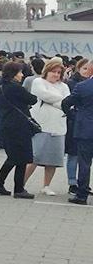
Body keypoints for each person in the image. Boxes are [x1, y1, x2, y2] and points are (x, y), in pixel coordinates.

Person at [0, 62, 37, 199]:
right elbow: (32, 99)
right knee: (21, 158)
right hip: (19, 126)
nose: (22, 75)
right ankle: (18, 189)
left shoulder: (3, 87)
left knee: (13, 157)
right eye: (19, 72)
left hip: (8, 124)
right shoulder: (16, 88)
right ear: (13, 74)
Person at [24, 60, 70, 196]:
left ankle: (46, 185)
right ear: (46, 71)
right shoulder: (38, 82)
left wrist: (60, 101)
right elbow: (44, 95)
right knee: (34, 157)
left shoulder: (64, 86)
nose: (56, 75)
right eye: (53, 72)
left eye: (58, 72)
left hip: (58, 126)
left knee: (53, 160)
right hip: (41, 126)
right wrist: (61, 100)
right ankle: (21, 183)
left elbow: (67, 101)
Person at [63, 61, 93, 205]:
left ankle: (82, 195)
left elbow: (66, 103)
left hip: (85, 129)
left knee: (84, 163)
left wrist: (73, 115)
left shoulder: (82, 87)